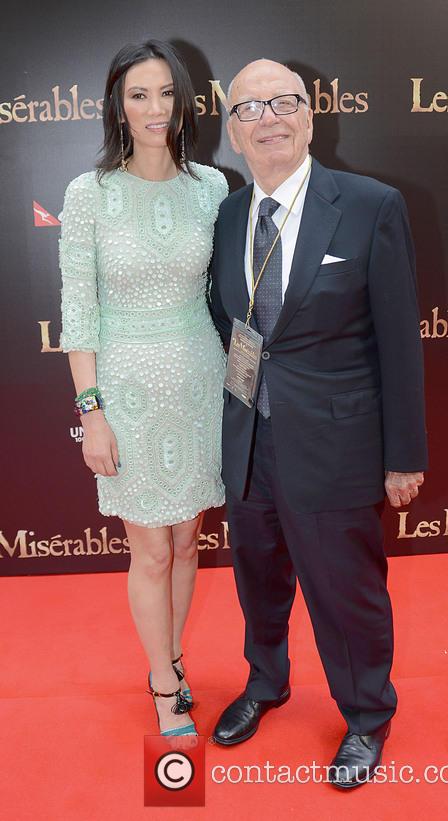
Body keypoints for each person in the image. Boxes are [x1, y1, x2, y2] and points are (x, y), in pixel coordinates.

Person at [209, 59, 427, 788]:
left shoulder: (370, 205)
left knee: (345, 589)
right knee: (258, 580)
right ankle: (265, 681)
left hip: (337, 442)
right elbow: (229, 322)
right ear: (233, 130)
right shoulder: (230, 214)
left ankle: (367, 713)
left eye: (285, 102)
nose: (269, 117)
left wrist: (403, 456)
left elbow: (400, 341)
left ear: (311, 114)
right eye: (251, 108)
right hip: (249, 441)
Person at [59, 40, 228, 737]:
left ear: (184, 102)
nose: (155, 108)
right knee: (150, 549)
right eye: (138, 95)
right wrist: (91, 412)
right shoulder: (87, 194)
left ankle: (176, 654)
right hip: (125, 391)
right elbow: (78, 312)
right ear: (117, 106)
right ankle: (162, 681)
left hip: (201, 385)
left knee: (188, 544)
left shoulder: (212, 188)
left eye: (166, 93)